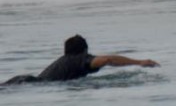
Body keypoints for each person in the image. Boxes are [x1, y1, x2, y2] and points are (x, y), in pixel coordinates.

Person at [2, 34, 160, 85]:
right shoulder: (82, 59)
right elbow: (106, 59)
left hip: (24, 80)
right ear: (84, 50)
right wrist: (139, 62)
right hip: (31, 84)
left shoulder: (62, 60)